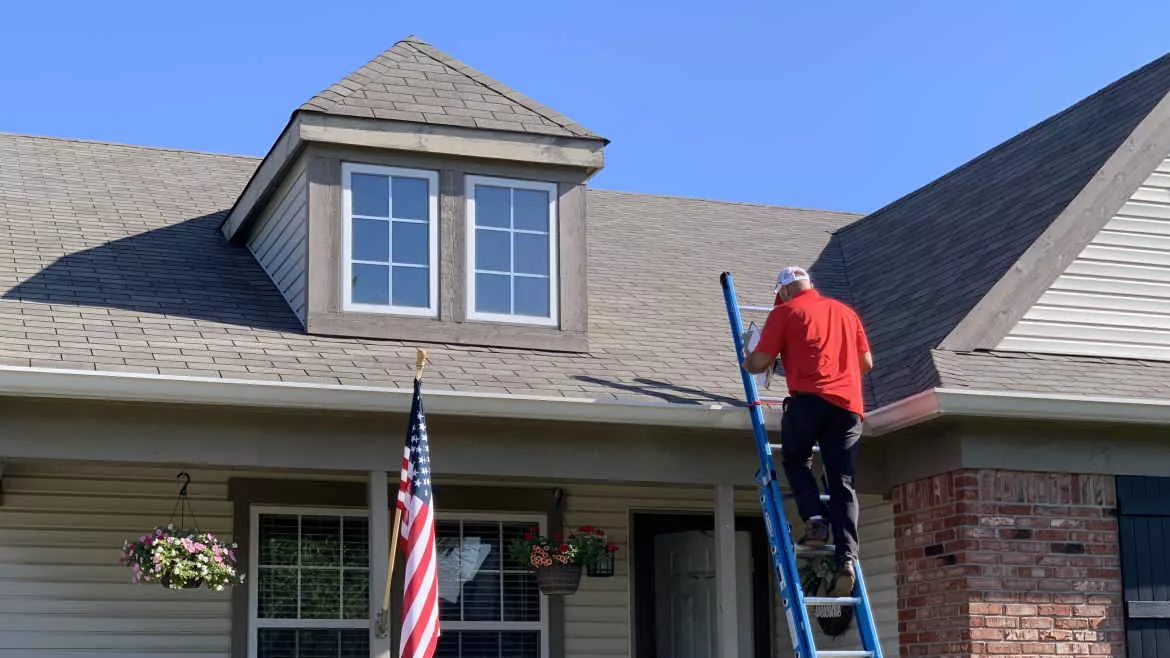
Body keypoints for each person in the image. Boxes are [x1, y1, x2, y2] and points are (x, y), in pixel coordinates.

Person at [741, 265, 873, 597]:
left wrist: (748, 357)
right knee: (842, 482)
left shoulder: (785, 312)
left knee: (797, 460)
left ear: (784, 291)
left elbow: (759, 363)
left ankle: (815, 520)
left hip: (808, 402)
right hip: (848, 407)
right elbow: (866, 363)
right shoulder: (846, 312)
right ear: (810, 284)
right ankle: (847, 559)